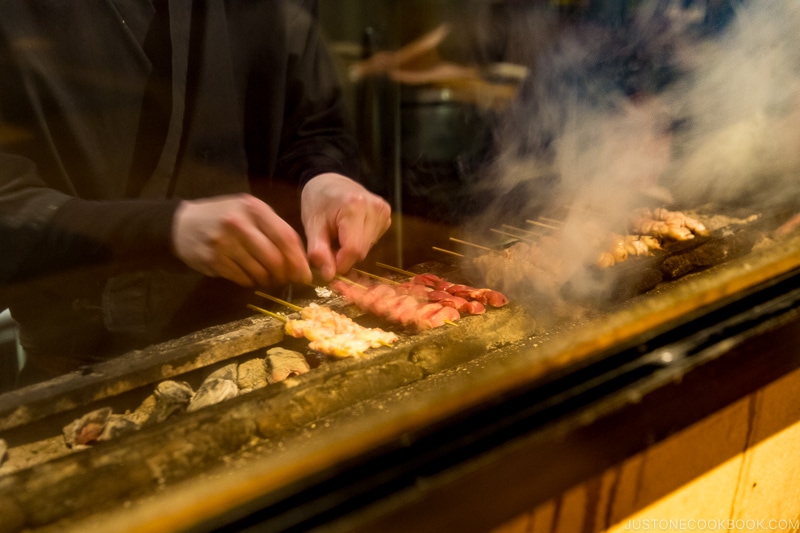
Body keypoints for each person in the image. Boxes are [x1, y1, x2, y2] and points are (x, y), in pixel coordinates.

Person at [0, 0, 391, 384]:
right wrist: (166, 227)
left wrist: (325, 176)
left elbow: (313, 122)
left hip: (279, 347)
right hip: (88, 374)